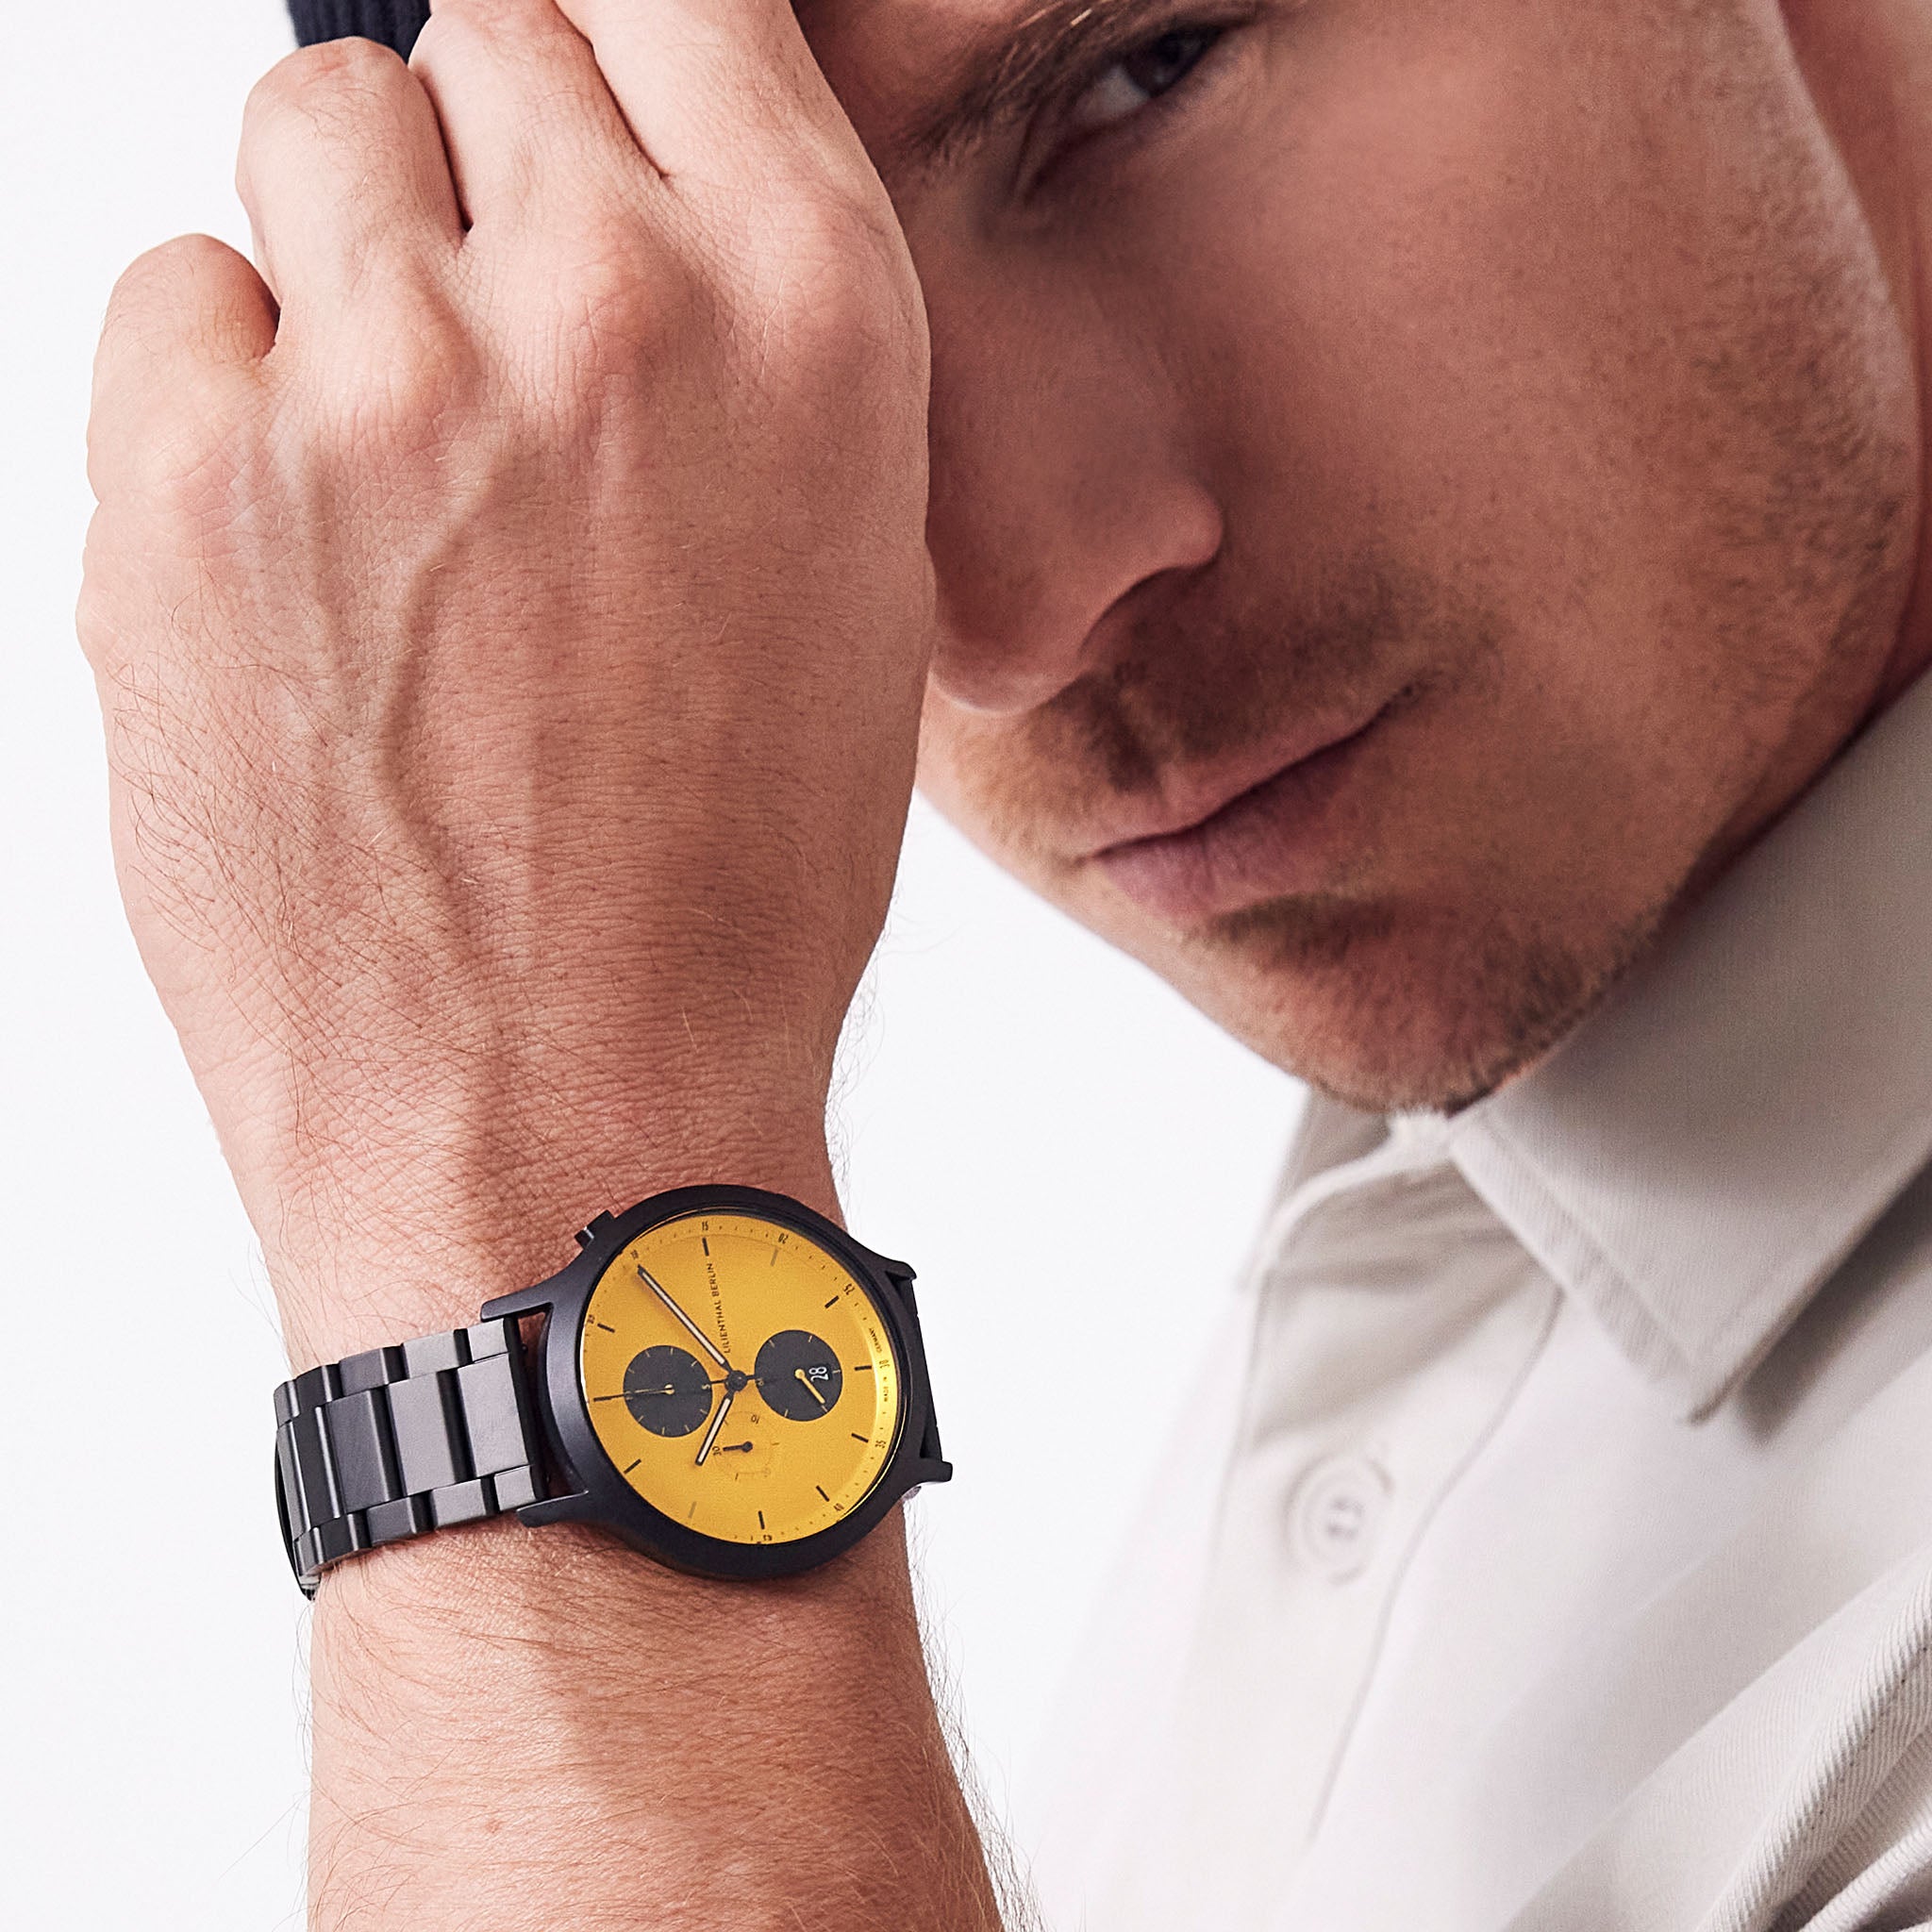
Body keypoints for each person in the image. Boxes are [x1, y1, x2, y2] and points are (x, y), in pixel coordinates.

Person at [75, 0, 1932, 1924]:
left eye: (1146, 73)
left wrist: (535, 1184)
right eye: (728, 317)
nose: (1008, 615)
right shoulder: (1446, 1239)